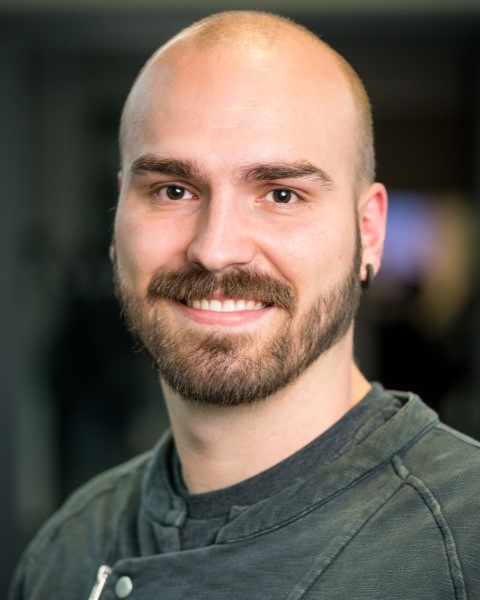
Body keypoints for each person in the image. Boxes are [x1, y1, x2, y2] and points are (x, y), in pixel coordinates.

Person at [9, 10, 480, 600]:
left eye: (281, 194)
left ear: (370, 232)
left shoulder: (464, 542)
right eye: (173, 191)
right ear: (118, 219)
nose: (215, 250)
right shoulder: (66, 549)